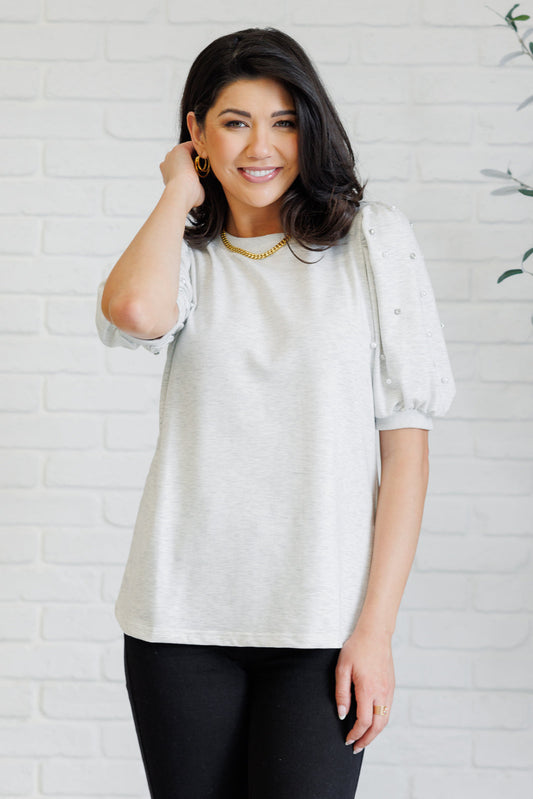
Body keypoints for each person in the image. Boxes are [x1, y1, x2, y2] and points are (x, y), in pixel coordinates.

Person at [95, 27, 455, 799]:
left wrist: (374, 630)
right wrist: (176, 191)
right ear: (196, 133)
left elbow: (406, 453)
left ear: (309, 130)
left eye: (284, 122)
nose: (261, 147)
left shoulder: (371, 242)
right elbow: (134, 311)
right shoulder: (185, 258)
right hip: (178, 621)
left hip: (323, 625)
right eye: (235, 122)